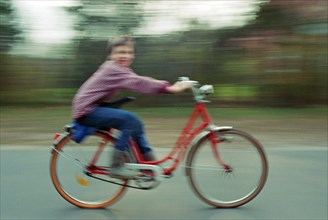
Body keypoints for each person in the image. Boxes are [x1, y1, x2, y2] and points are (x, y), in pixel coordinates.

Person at [72, 35, 193, 179]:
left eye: (129, 52)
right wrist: (169, 88)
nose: (126, 56)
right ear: (111, 55)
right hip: (86, 110)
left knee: (136, 125)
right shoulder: (113, 68)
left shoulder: (120, 69)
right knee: (130, 119)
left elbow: (140, 81)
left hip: (93, 106)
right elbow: (139, 82)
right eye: (120, 52)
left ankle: (150, 166)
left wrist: (167, 85)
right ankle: (116, 166)